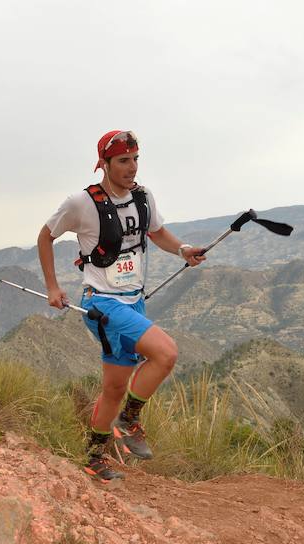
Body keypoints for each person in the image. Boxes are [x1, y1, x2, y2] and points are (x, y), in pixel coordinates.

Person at [37, 130, 205, 482]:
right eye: (124, 161)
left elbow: (156, 233)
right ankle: (130, 421)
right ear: (104, 164)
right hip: (102, 304)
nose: (132, 168)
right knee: (166, 353)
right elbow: (46, 235)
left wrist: (183, 250)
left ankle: (94, 456)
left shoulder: (142, 198)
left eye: (136, 159)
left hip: (134, 303)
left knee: (114, 388)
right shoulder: (81, 203)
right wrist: (53, 287)